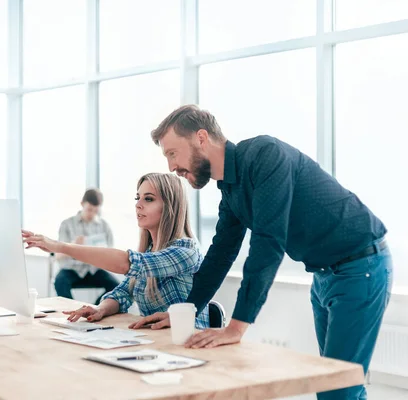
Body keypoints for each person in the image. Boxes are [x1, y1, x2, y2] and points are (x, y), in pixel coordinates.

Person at [131, 105, 393, 400]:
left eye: (172, 153)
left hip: (360, 267)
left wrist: (236, 327)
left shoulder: (265, 156)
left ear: (201, 138)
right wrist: (186, 310)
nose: (171, 167)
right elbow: (221, 254)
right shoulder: (229, 190)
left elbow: (268, 243)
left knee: (338, 388)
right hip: (324, 276)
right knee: (336, 386)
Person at [23, 172, 209, 329]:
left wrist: (59, 246)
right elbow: (122, 292)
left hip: (188, 341)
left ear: (170, 207)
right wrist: (100, 309)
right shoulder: (150, 250)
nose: (138, 204)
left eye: (149, 199)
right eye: (138, 198)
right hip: (158, 340)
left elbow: (126, 263)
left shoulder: (186, 249)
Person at [53, 188, 118, 304]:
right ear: (82, 204)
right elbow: (58, 255)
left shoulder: (104, 226)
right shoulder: (67, 224)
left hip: (94, 269)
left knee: (117, 286)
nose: (92, 213)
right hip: (71, 269)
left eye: (95, 211)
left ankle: (95, 309)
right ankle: (71, 312)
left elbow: (110, 253)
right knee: (59, 282)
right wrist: (74, 245)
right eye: (89, 209)